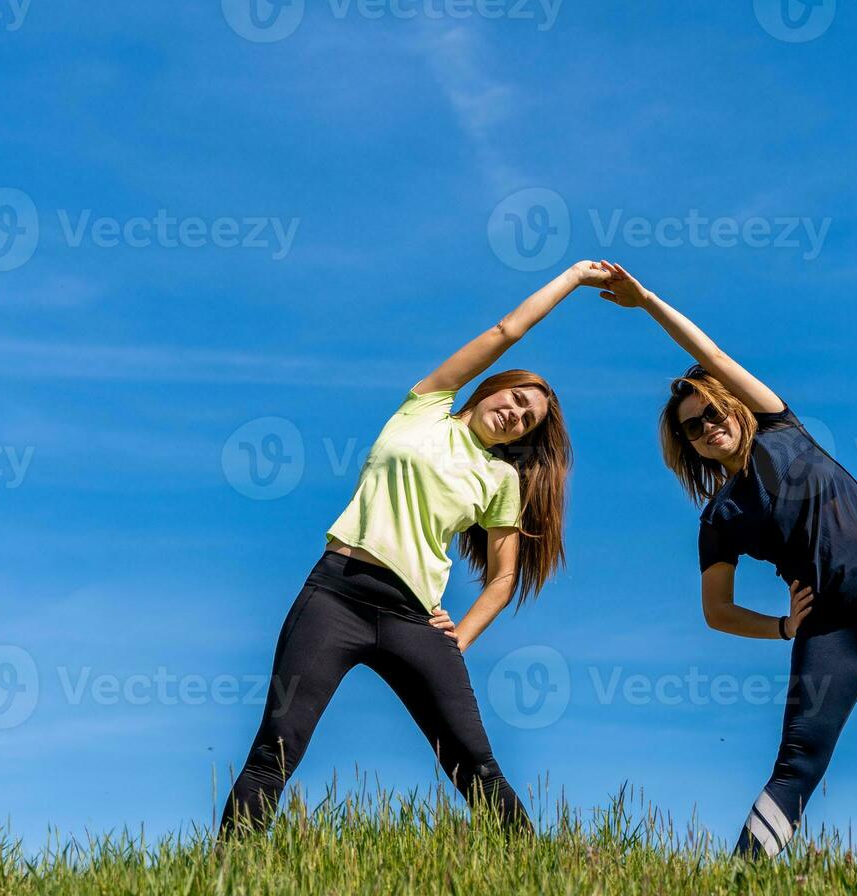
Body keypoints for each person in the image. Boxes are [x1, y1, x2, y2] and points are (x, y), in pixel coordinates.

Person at [596, 260, 857, 856]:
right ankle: (735, 895)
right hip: (832, 625)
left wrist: (647, 300)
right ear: (689, 448)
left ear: (732, 405)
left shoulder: (784, 429)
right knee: (798, 763)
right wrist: (783, 626)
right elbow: (717, 611)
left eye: (711, 412)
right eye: (692, 429)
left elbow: (713, 353)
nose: (707, 427)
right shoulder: (719, 517)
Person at [220, 261, 613, 836]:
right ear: (492, 389)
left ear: (522, 438)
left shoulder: (500, 480)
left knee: (475, 765)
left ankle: (538, 869)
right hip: (335, 596)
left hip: (413, 620)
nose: (516, 414)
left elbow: (504, 578)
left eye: (527, 421)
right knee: (276, 747)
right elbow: (506, 332)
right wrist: (574, 277)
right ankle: (227, 873)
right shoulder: (425, 406)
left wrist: (463, 635)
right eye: (516, 397)